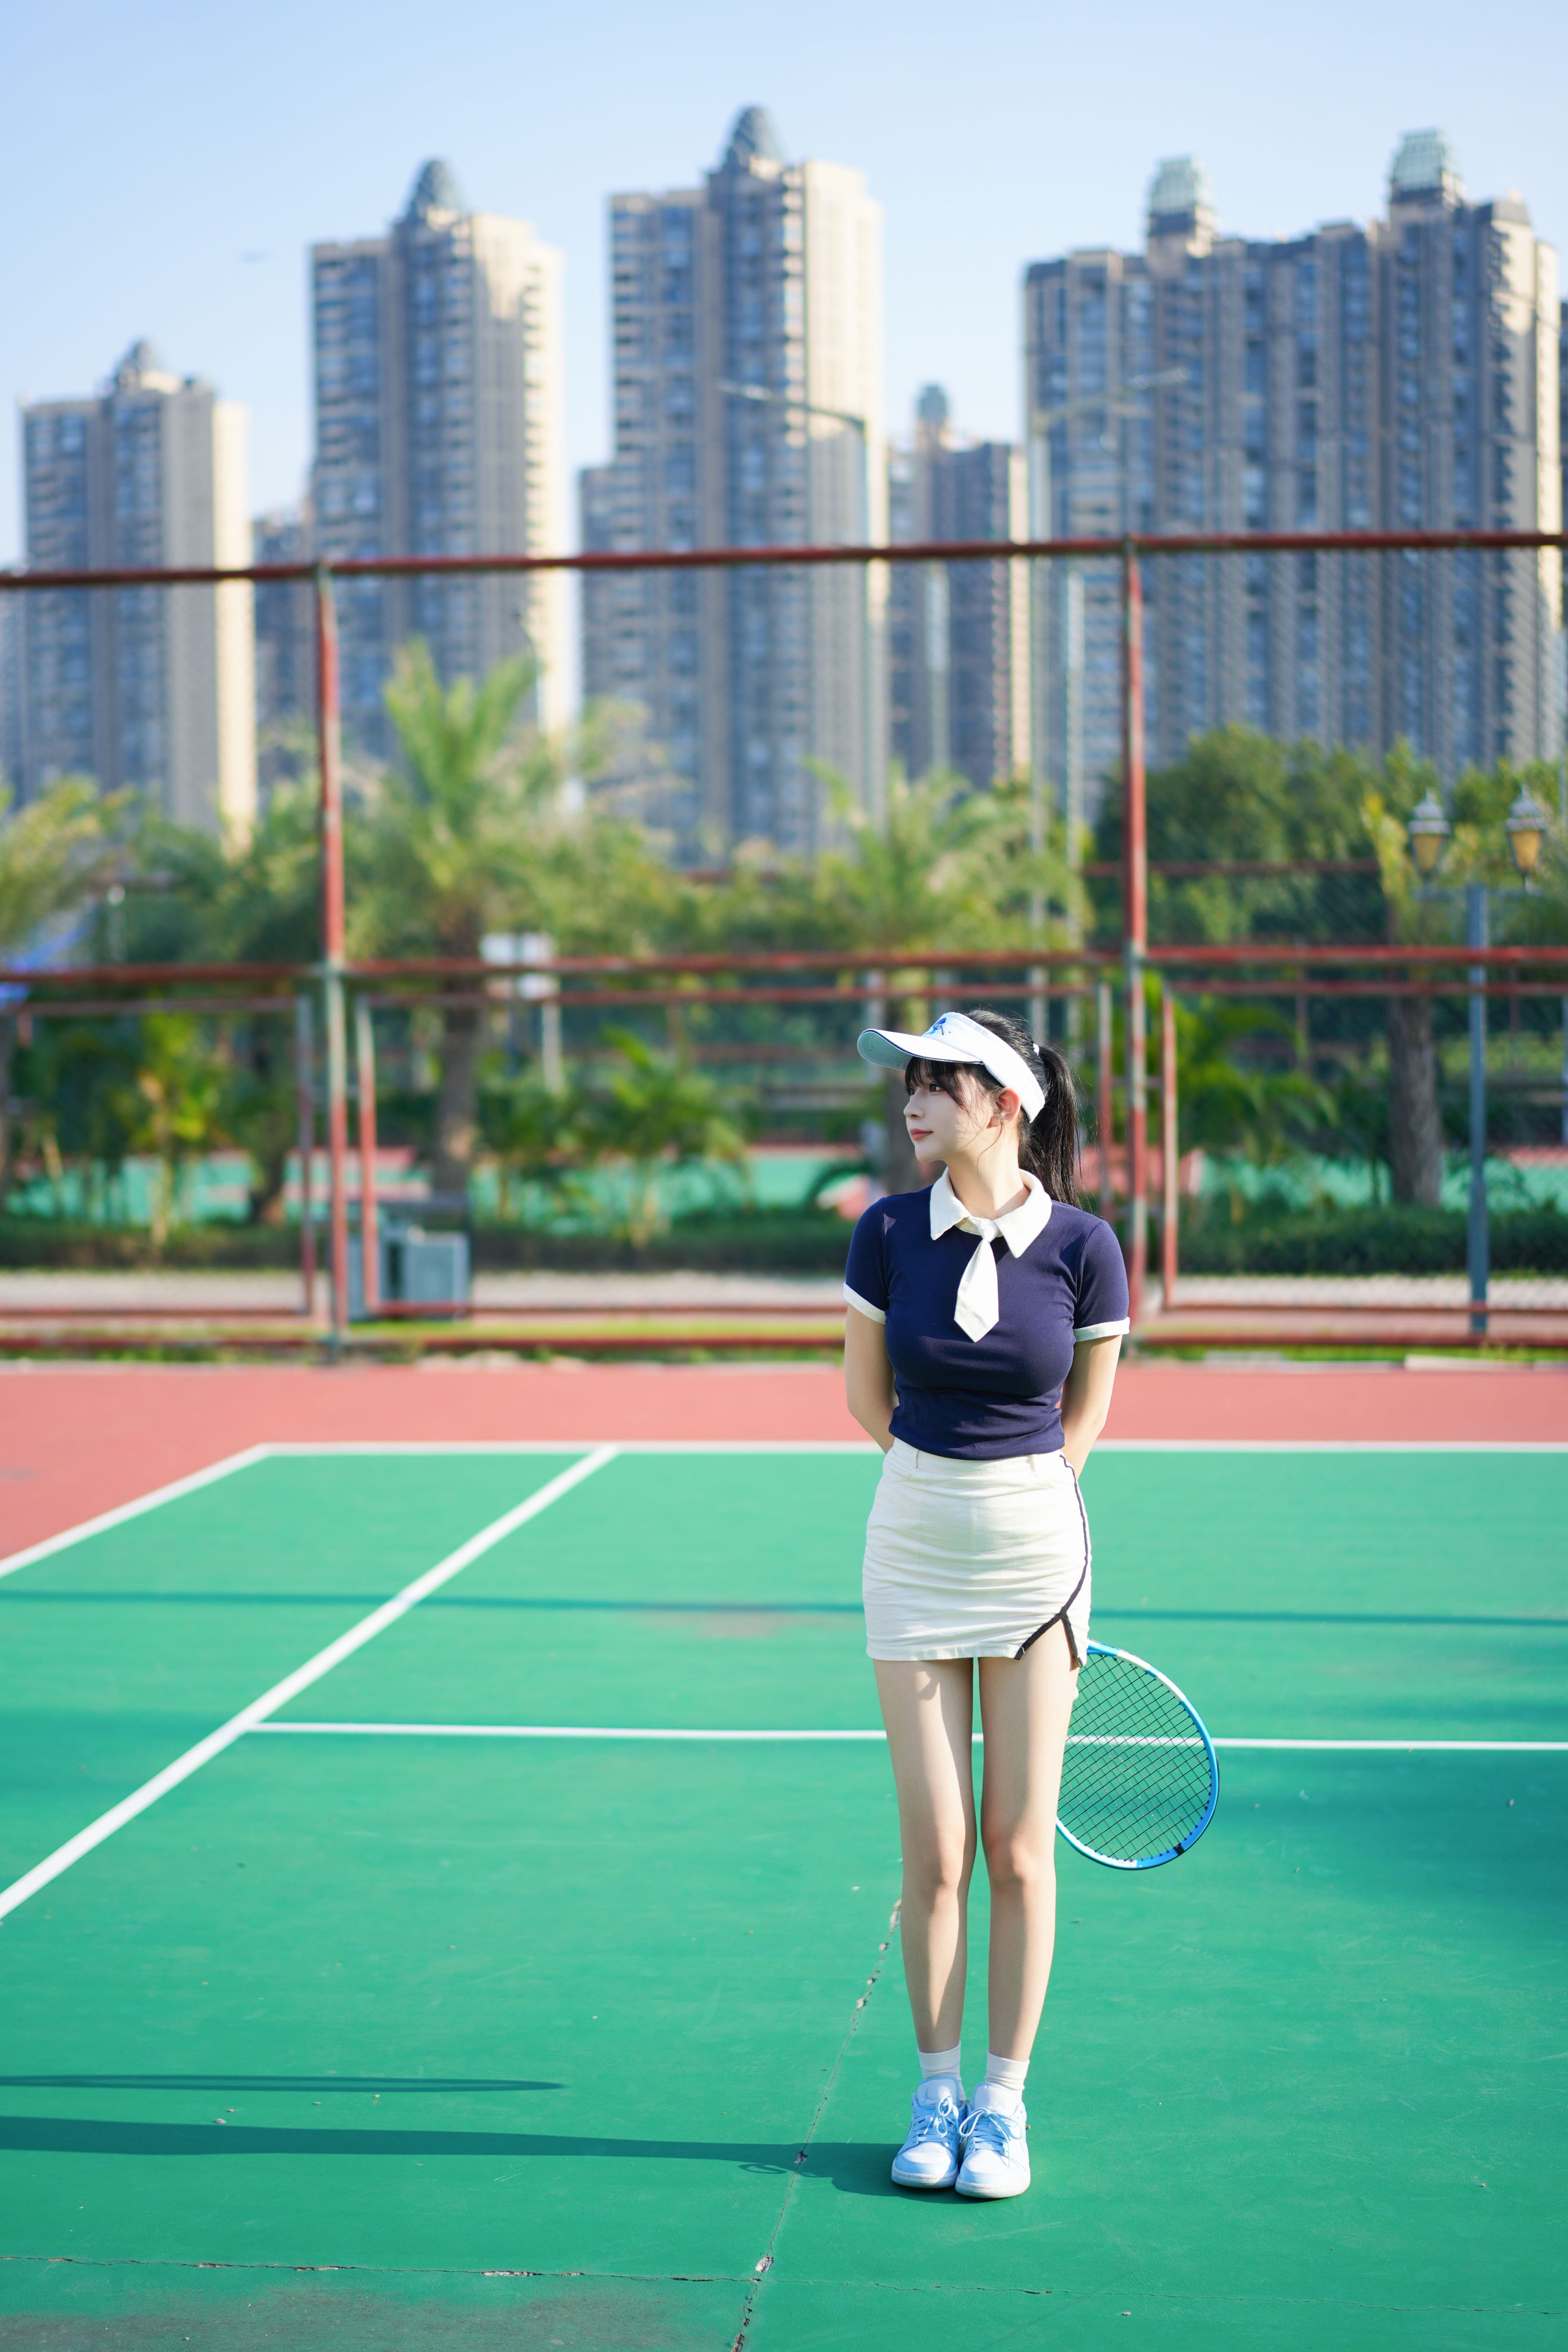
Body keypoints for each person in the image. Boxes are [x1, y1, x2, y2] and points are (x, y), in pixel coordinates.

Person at [841, 1007, 1127, 2200]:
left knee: (1016, 1849)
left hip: (1035, 1558)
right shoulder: (887, 1233)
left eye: (937, 1084)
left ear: (1006, 1102)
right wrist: (943, 1487)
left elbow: (1090, 1414)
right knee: (937, 1852)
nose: (911, 1101)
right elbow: (868, 1400)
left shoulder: (1085, 1246)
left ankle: (1002, 2109)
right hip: (911, 1544)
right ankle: (935, 2094)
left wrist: (1028, 1501)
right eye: (907, 1082)